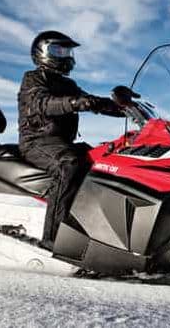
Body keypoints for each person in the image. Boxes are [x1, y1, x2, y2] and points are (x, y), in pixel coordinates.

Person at [18, 31, 124, 250]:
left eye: (68, 51)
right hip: (37, 142)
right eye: (59, 50)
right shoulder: (33, 79)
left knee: (104, 162)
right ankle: (52, 240)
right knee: (70, 164)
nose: (65, 55)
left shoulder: (68, 84)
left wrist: (124, 108)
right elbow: (42, 103)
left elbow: (92, 102)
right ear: (43, 52)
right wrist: (75, 103)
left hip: (61, 143)